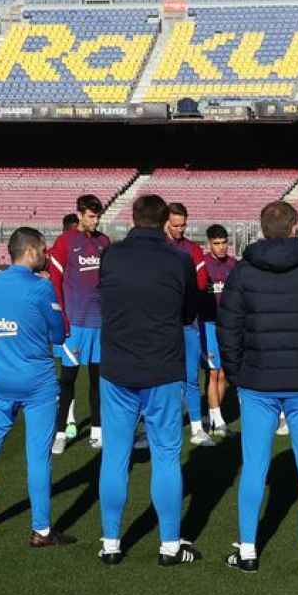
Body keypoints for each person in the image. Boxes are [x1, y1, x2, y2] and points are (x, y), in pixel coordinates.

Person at [216, 201, 298, 575]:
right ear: (294, 227)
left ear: (261, 228)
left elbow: (228, 331)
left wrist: (238, 373)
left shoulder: (242, 273)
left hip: (258, 382)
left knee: (254, 467)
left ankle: (248, 551)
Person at [95, 194, 202, 566]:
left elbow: (103, 299)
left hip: (118, 367)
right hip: (162, 369)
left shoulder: (111, 255)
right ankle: (169, 545)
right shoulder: (179, 259)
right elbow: (190, 311)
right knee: (167, 456)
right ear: (164, 221)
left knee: (115, 456)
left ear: (133, 218)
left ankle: (111, 543)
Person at [0, 227, 74, 547]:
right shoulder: (42, 289)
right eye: (42, 249)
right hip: (37, 382)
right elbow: (58, 333)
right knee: (38, 457)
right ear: (28, 251)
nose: (47, 254)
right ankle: (41, 530)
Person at [49, 195, 110, 453]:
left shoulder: (104, 242)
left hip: (99, 324)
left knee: (98, 382)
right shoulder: (64, 242)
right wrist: (61, 317)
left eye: (97, 217)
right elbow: (54, 283)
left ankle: (97, 431)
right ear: (80, 215)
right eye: (90, 216)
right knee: (67, 380)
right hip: (74, 323)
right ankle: (61, 432)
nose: (95, 221)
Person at [165, 202, 213, 446]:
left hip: (189, 323)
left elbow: (202, 283)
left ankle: (197, 428)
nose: (180, 229)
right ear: (165, 223)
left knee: (191, 377)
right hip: (161, 325)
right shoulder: (159, 249)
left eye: (183, 225)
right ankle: (152, 428)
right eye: (176, 225)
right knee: (159, 379)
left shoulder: (193, 250)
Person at [201, 224, 236, 439]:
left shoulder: (235, 265)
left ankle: (213, 414)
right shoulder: (203, 265)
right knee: (212, 372)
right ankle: (218, 420)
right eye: (216, 243)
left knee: (224, 373)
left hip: (229, 326)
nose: (221, 247)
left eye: (224, 243)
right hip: (208, 325)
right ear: (209, 244)